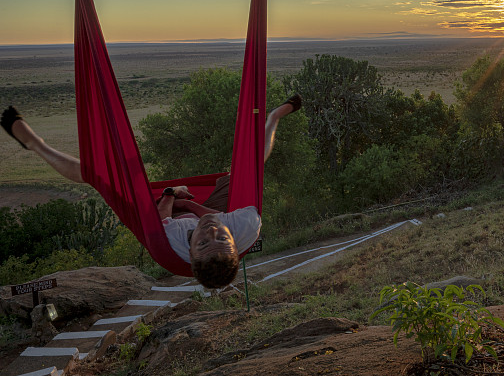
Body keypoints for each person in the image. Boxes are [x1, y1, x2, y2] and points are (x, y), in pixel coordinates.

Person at [1, 95, 302, 288]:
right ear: (233, 242)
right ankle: (274, 117)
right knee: (249, 170)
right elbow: (214, 221)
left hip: (161, 222)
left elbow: (165, 211)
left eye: (203, 242)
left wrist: (172, 193)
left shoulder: (170, 244)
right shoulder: (247, 225)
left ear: (192, 252)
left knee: (99, 177)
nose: (212, 233)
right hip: (213, 211)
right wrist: (193, 207)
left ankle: (35, 144)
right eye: (221, 238)